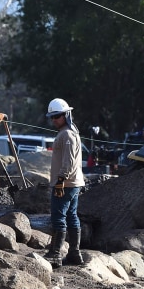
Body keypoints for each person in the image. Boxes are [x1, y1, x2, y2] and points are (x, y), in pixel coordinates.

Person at [45, 97, 86, 268]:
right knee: (71, 216)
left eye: (57, 116)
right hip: (73, 183)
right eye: (52, 117)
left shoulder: (67, 134)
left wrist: (61, 179)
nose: (54, 120)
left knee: (58, 217)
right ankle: (75, 254)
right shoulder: (69, 132)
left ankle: (55, 254)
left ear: (66, 114)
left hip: (66, 183)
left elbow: (68, 161)